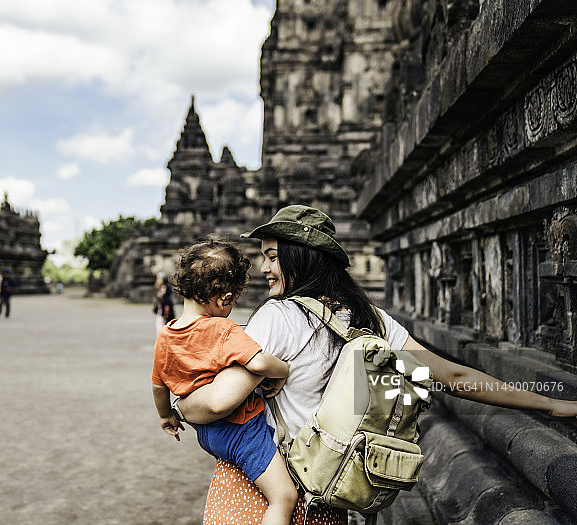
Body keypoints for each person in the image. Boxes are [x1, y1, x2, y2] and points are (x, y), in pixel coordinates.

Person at [170, 205, 577, 525]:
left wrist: (177, 407)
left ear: (301, 257)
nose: (264, 269)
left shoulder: (278, 318)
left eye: (273, 257)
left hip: (257, 493)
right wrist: (552, 404)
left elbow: (220, 402)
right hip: (329, 495)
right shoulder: (372, 321)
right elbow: (450, 377)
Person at [151, 240, 298, 525]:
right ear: (225, 298)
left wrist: (166, 415)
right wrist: (283, 369)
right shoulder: (222, 329)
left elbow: (158, 387)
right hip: (240, 430)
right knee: (284, 496)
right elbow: (258, 363)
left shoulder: (166, 335)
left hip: (205, 434)